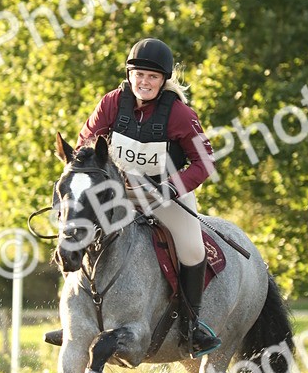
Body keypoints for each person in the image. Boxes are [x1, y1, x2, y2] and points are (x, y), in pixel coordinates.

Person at [76, 38, 222, 356]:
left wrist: (169, 187)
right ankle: (76, 319)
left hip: (164, 195)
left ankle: (190, 325)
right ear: (130, 75)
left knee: (193, 249)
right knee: (79, 226)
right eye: (139, 75)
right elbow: (84, 144)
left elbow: (204, 162)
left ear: (163, 80)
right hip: (117, 194)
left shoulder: (180, 115)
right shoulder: (112, 103)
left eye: (152, 77)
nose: (144, 82)